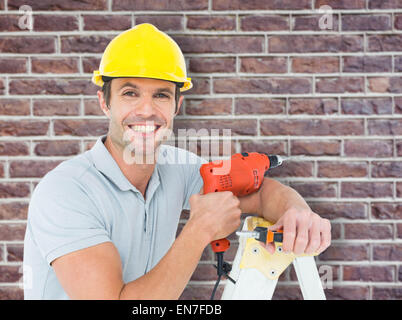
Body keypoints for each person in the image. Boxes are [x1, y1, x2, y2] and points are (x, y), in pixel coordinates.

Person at [23, 23, 331, 300]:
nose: (146, 110)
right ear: (105, 101)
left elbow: (261, 192)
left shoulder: (179, 169)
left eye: (160, 95)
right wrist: (198, 231)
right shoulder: (66, 192)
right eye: (130, 93)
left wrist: (297, 214)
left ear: (177, 104)